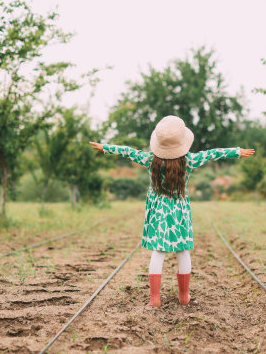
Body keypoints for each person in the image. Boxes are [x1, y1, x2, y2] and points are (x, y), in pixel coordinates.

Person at [90, 115, 254, 307]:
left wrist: (106, 148)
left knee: (158, 252)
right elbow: (213, 153)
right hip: (180, 212)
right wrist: (236, 151)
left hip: (158, 211)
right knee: (183, 251)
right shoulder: (189, 161)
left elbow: (128, 152)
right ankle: (184, 297)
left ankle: (154, 299)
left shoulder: (150, 160)